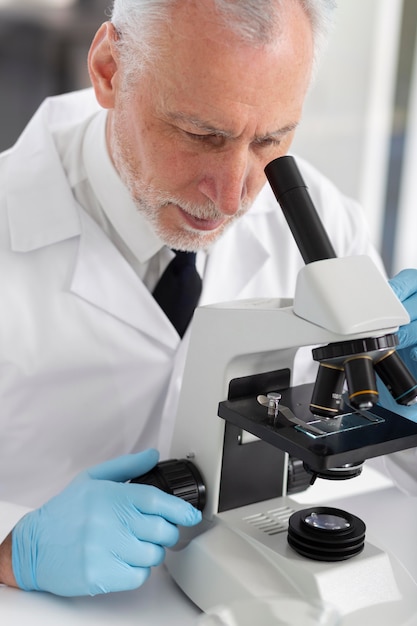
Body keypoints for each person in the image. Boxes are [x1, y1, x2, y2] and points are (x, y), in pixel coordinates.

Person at [0, 0, 417, 598]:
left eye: (271, 139)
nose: (232, 196)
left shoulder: (320, 219)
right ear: (109, 69)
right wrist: (13, 549)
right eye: (200, 135)